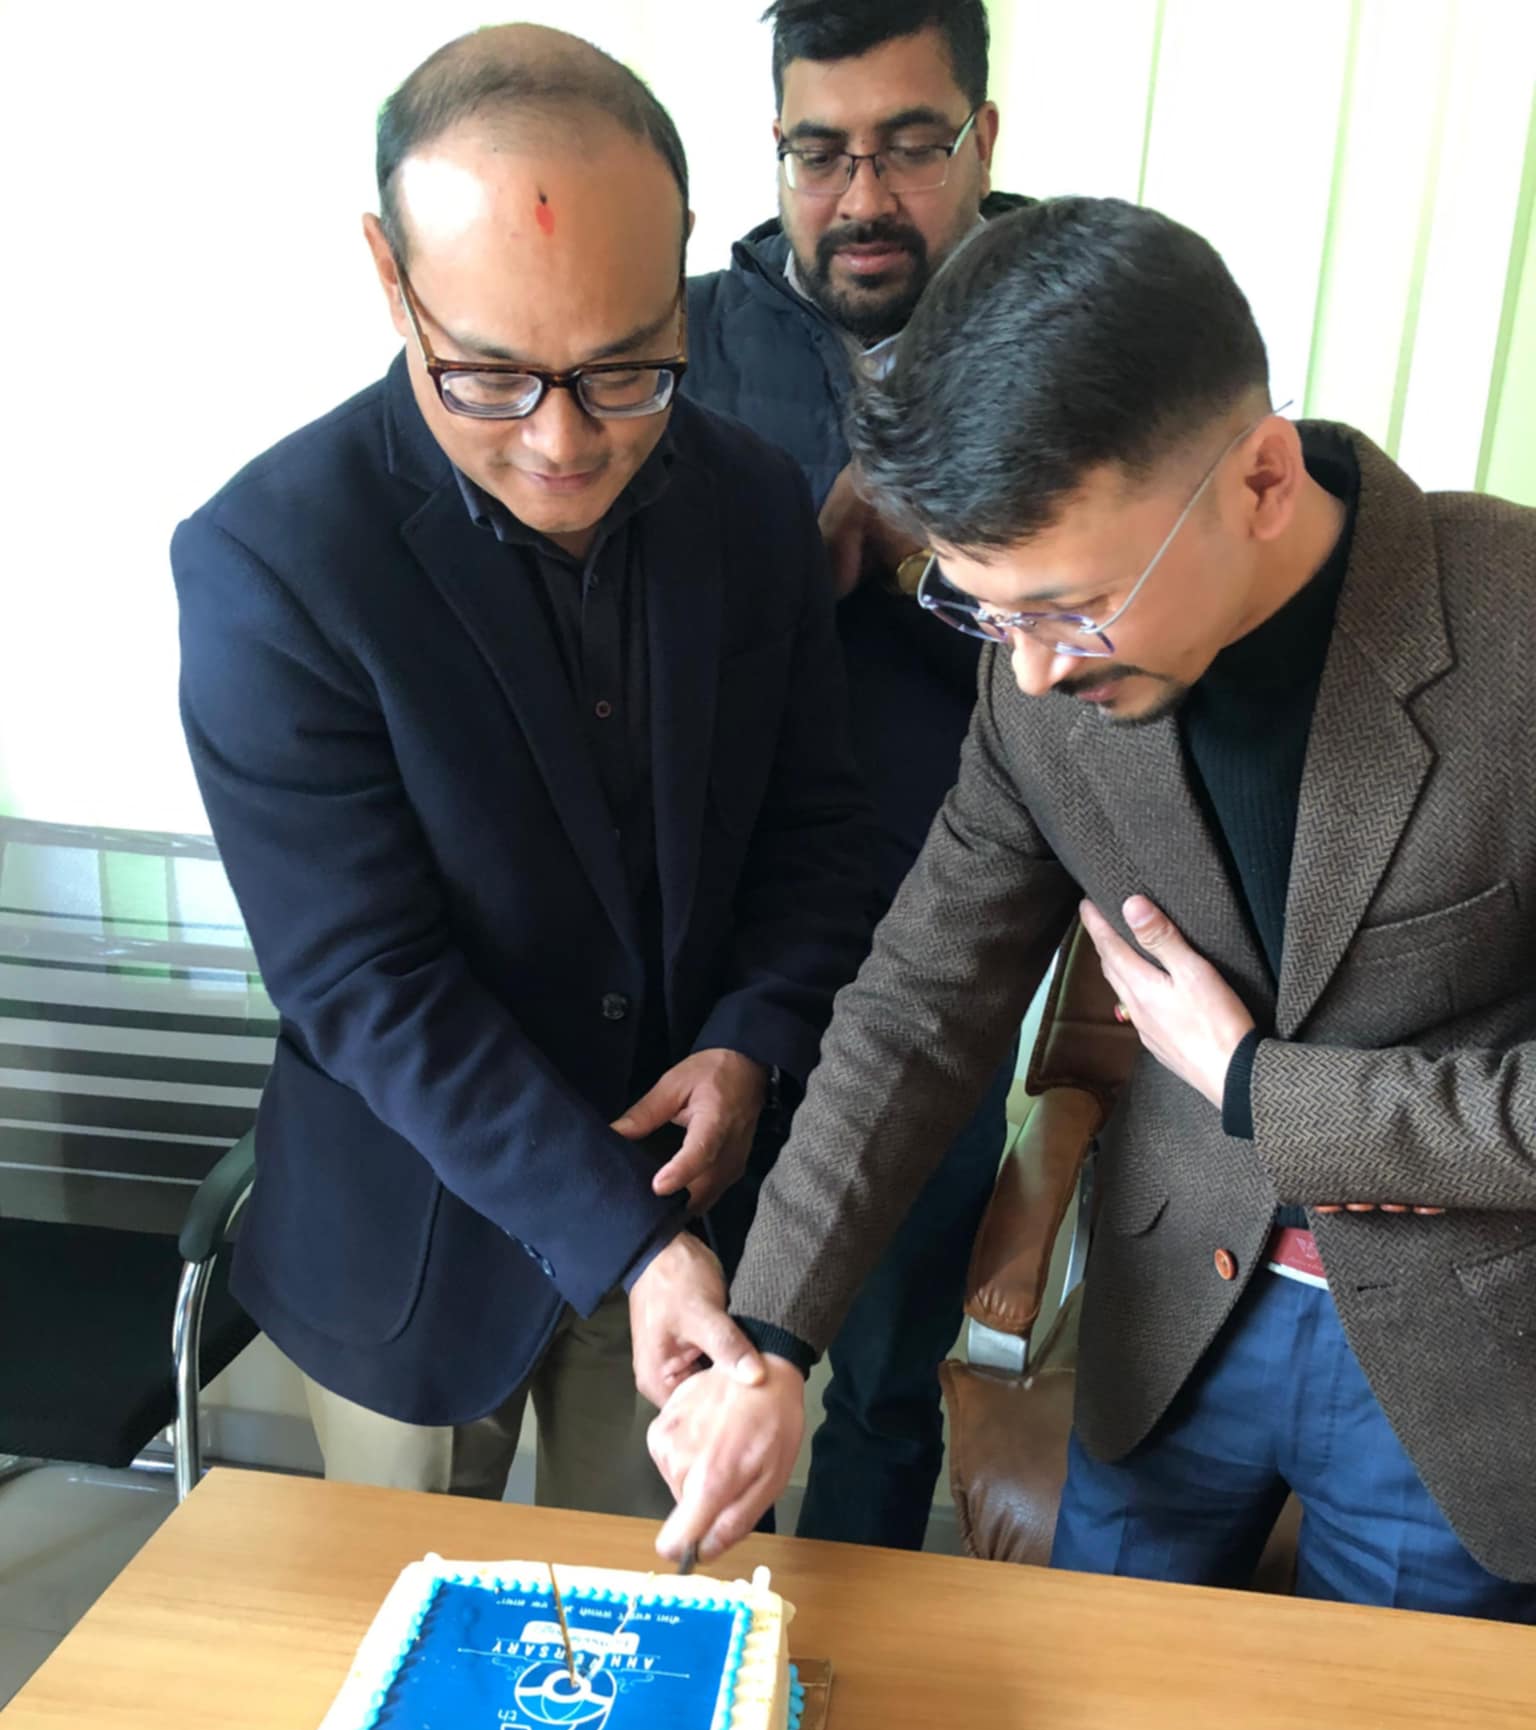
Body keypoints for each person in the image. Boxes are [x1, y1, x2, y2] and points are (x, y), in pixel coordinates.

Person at [639, 195, 1536, 1622]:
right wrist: (769, 1339)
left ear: (1259, 480)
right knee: (1097, 1716)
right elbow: (920, 1004)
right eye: (984, 611)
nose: (1034, 673)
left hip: (1465, 1354)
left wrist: (1261, 1089)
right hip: (1169, 1318)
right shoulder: (1038, 682)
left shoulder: (1515, 630)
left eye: (1071, 608)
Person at [173, 25, 872, 1511]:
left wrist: (752, 1038)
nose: (564, 441)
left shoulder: (754, 505)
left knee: (663, 1615)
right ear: (390, 274)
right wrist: (622, 1237)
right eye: (489, 376)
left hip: (700, 1208)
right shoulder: (273, 561)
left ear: (681, 260)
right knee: (406, 1624)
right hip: (415, 1245)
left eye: (627, 370)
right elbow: (364, 980)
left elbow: (818, 833)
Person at [668, 0, 1030, 1549]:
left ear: (983, 138)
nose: (862, 196)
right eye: (820, 152)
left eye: (909, 145)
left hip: (946, 959)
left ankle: (859, 1660)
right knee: (705, 1358)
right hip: (716, 973)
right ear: (776, 147)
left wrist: (933, 543)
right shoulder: (681, 341)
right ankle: (700, 1646)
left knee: (885, 1383)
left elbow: (1144, 646)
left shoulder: (1077, 337)